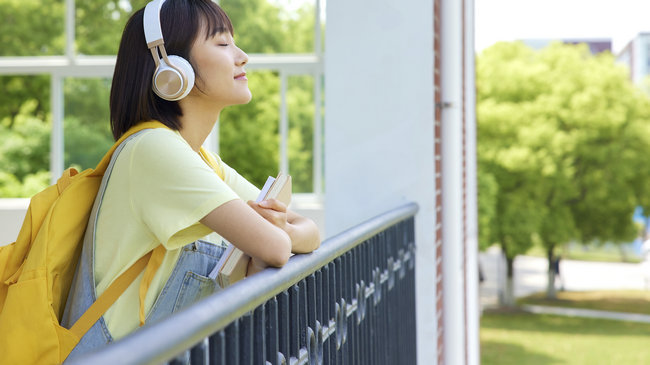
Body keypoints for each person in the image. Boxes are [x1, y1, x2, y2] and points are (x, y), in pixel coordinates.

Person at [61, 0, 320, 358]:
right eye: (222, 43)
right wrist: (280, 233)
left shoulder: (202, 162)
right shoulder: (153, 149)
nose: (242, 56)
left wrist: (282, 229)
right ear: (171, 68)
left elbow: (309, 230)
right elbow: (275, 248)